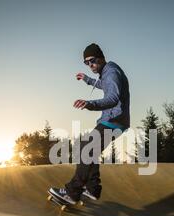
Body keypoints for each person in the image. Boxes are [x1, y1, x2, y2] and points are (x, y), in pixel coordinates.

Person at [49, 43, 130, 204]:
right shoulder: (107, 72)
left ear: (101, 58)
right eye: (86, 63)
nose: (90, 65)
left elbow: (113, 98)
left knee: (86, 148)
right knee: (87, 148)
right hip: (114, 121)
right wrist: (87, 80)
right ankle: (92, 189)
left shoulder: (111, 72)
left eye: (92, 61)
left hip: (113, 120)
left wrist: (90, 104)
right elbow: (103, 85)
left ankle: (72, 193)